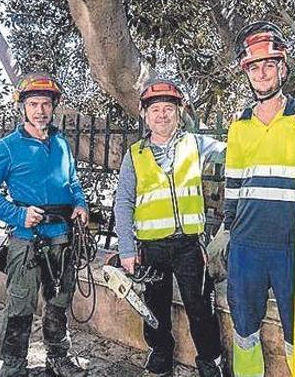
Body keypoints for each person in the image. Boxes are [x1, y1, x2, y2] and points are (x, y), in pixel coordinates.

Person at [217, 22, 295, 377]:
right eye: (255, 67)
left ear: (282, 68)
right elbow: (234, 187)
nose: (262, 73)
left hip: (292, 246)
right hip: (246, 248)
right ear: (247, 73)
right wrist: (227, 233)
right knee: (244, 330)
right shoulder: (239, 125)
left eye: (269, 65)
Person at [0, 73, 89, 377]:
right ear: (23, 108)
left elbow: (73, 182)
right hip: (26, 240)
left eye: (46, 104)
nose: (41, 110)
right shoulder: (8, 147)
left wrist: (80, 203)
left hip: (62, 237)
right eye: (34, 104)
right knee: (20, 306)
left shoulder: (62, 144)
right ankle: (13, 366)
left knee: (59, 302)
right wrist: (17, 215)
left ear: (54, 108)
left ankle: (57, 358)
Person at [113, 78, 227, 377]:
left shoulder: (196, 143)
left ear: (179, 112)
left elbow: (233, 154)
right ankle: (160, 352)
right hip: (151, 248)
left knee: (200, 307)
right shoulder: (134, 154)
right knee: (154, 308)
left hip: (189, 245)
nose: (162, 115)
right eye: (155, 110)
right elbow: (123, 203)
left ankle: (209, 360)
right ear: (144, 115)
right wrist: (126, 248)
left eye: (168, 109)